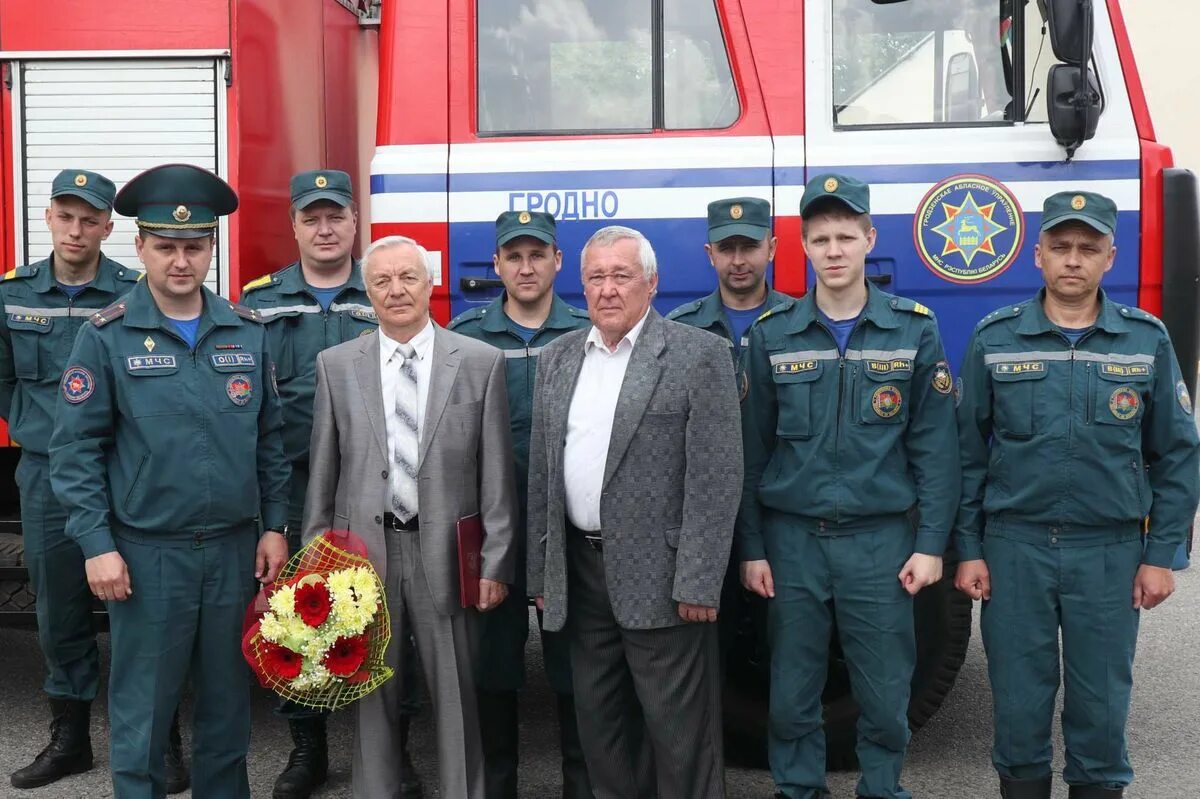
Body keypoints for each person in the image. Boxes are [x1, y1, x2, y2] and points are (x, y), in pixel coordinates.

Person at [48, 163, 290, 798]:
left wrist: (276, 528)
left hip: (236, 551)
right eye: (166, 246)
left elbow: (271, 442)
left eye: (194, 246)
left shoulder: (247, 332)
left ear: (211, 247)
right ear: (141, 248)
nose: (181, 262)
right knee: (142, 719)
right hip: (148, 555)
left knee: (228, 714)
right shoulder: (104, 338)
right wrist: (97, 545)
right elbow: (74, 451)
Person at [954, 191, 1200, 799]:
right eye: (1060, 246)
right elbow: (963, 453)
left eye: (1088, 248)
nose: (1073, 260)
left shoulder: (1147, 340)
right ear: (1037, 254)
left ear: (1110, 257)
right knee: (1017, 708)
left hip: (1110, 553)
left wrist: (1162, 554)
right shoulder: (997, 338)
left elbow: (1177, 454)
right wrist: (968, 548)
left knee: (1101, 711)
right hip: (1016, 549)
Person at [738, 174, 960, 799]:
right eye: (819, 239)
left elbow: (936, 450)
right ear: (802, 248)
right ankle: (799, 790)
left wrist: (932, 544)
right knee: (791, 694)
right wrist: (752, 547)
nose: (833, 251)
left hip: (881, 543)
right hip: (793, 542)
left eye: (845, 236)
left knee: (887, 694)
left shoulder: (913, 329)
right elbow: (752, 454)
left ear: (869, 239)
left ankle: (883, 789)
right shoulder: (772, 335)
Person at [527, 225, 742, 799]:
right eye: (595, 277)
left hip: (666, 580)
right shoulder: (557, 358)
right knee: (601, 735)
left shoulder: (700, 355)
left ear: (651, 282)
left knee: (680, 741)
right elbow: (544, 474)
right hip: (580, 573)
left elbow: (717, 479)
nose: (608, 289)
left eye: (621, 275)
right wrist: (542, 574)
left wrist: (699, 580)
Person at [303, 234, 518, 798]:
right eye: (381, 281)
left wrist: (495, 560)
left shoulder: (479, 362)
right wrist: (317, 563)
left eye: (407, 278)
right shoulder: (336, 365)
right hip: (363, 558)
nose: (395, 290)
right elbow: (323, 474)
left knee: (457, 696)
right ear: (366, 291)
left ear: (430, 283)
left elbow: (496, 472)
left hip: (447, 554)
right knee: (370, 695)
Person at [2, 170, 189, 793]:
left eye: (91, 218)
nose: (77, 229)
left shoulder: (140, 291)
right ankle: (71, 737)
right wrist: (40, 427)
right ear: (48, 218)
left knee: (146, 608)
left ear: (111, 227)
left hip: (127, 475)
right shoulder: (12, 293)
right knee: (58, 607)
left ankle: (160, 738)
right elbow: (4, 382)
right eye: (66, 215)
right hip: (50, 476)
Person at [240, 169, 424, 799]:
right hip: (293, 486)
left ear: (354, 223)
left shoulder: (381, 291)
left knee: (390, 614)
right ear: (294, 225)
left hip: (376, 484)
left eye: (336, 216)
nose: (324, 228)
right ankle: (307, 748)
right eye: (311, 217)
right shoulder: (259, 301)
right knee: (300, 616)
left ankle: (394, 751)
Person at [448, 210, 593, 799]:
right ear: (498, 265)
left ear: (558, 261)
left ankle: (583, 787)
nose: (526, 267)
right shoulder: (463, 339)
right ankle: (496, 786)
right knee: (493, 670)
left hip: (570, 531)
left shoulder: (588, 332)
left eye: (538, 255)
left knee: (576, 668)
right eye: (514, 256)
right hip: (493, 533)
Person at [666, 196, 793, 666]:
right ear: (709, 254)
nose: (739, 260)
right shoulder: (680, 330)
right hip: (701, 511)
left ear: (772, 248)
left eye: (750, 246)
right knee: (701, 649)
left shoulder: (801, 325)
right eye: (727, 248)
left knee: (779, 645)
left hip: (776, 505)